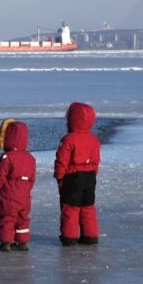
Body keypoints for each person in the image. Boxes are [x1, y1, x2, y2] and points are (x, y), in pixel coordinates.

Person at [54, 102, 100, 246]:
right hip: (90, 177)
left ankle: (69, 237)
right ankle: (90, 236)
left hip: (73, 177)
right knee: (88, 207)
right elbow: (96, 161)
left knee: (70, 208)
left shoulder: (68, 139)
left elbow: (62, 161)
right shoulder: (94, 140)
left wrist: (59, 177)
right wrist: (93, 175)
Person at [0, 118, 36, 251]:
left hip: (8, 195)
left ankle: (6, 243)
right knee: (22, 219)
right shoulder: (30, 157)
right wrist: (26, 189)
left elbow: (0, 176)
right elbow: (32, 178)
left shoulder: (7, 157)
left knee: (7, 218)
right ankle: (22, 242)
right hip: (25, 196)